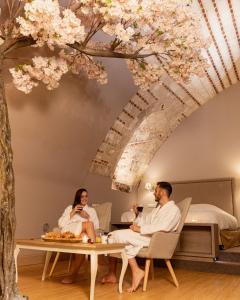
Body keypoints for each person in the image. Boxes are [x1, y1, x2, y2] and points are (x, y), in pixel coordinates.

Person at [101, 181, 181, 292]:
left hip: (156, 240)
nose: (154, 193)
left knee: (116, 236)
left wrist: (139, 229)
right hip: (146, 235)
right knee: (112, 235)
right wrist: (137, 215)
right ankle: (118, 273)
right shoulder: (158, 208)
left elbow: (163, 227)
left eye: (156, 191)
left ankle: (131, 271)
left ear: (162, 192)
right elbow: (146, 221)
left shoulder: (173, 210)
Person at [58, 188, 99, 283]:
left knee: (84, 237)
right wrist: (73, 212)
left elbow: (96, 227)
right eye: (82, 196)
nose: (84, 198)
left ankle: (73, 275)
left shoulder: (91, 210)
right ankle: (94, 255)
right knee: (88, 225)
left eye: (86, 196)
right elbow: (60, 224)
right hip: (70, 231)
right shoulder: (70, 207)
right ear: (78, 197)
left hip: (83, 233)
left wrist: (87, 216)